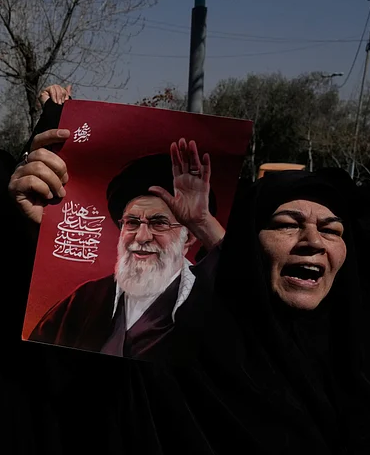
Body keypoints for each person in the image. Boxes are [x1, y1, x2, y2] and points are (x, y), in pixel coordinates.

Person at [169, 169, 370, 454]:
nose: (313, 241)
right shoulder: (193, 353)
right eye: (287, 225)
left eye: (330, 230)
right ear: (250, 244)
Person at [24, 140, 223, 361]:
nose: (142, 237)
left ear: (190, 237)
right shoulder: (86, 300)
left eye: (159, 223)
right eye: (132, 223)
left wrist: (203, 222)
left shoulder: (211, 297)